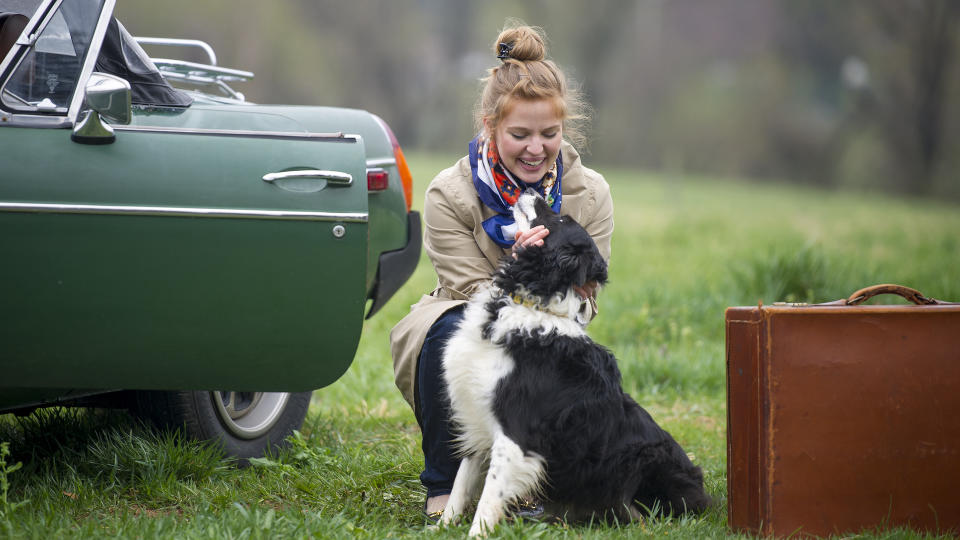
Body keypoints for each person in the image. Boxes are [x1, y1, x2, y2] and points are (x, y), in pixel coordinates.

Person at [389, 22, 614, 521]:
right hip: (466, 311)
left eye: (549, 134)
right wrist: (520, 266)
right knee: (452, 334)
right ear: (490, 126)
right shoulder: (449, 191)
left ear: (564, 130)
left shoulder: (591, 192)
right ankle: (444, 484)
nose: (536, 148)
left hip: (551, 324)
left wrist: (560, 280)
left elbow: (587, 293)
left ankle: (533, 473)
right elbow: (468, 288)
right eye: (520, 134)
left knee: (556, 357)